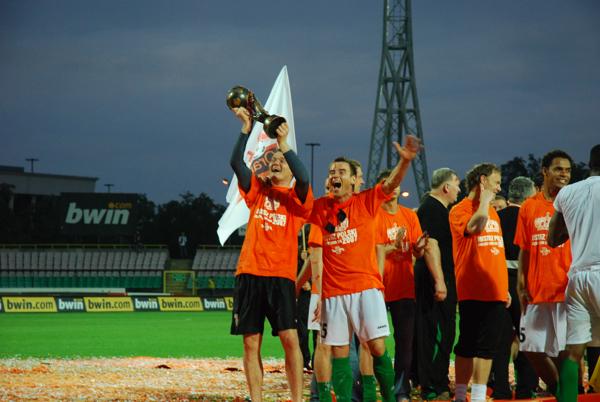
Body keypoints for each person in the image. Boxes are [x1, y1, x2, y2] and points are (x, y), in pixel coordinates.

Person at [309, 135, 421, 402]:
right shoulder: (320, 208)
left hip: (366, 288)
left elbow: (391, 183)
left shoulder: (366, 201)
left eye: (341, 171)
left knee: (377, 347)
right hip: (334, 292)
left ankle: (388, 397)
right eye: (331, 172)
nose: (335, 175)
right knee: (338, 352)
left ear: (353, 179)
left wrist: (405, 162)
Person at [228, 106, 313, 402]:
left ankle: (296, 399)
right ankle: (257, 399)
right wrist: (245, 129)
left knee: (290, 339)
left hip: (280, 276)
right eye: (273, 160)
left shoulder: (298, 200)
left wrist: (284, 144)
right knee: (251, 343)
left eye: (282, 160)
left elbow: (304, 177)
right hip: (249, 273)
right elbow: (235, 162)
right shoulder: (258, 190)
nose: (276, 162)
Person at [374, 169, 446, 402]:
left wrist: (419, 248)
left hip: (404, 287)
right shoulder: (373, 216)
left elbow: (416, 251)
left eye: (396, 183)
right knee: (373, 343)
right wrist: (392, 247)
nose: (393, 187)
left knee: (405, 343)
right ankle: (374, 385)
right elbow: (370, 251)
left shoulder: (409, 215)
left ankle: (401, 390)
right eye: (388, 183)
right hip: (376, 288)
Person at [449, 163, 510, 402]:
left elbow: (497, 250)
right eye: (496, 182)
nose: (499, 188)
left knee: (487, 348)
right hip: (472, 289)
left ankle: (477, 397)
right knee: (467, 345)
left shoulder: (492, 212)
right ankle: (460, 395)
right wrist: (484, 201)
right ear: (483, 180)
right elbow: (474, 227)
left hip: (496, 290)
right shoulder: (459, 210)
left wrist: (504, 286)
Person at [514, 150, 573, 396]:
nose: (564, 174)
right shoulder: (529, 206)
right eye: (558, 169)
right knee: (530, 348)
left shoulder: (572, 203)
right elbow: (525, 248)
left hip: (565, 288)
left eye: (568, 170)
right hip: (537, 289)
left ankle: (569, 393)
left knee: (565, 351)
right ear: (545, 171)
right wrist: (520, 283)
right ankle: (560, 389)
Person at [548, 144, 600, 402]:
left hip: (578, 278)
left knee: (573, 351)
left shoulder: (568, 192)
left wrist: (581, 226)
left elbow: (552, 238)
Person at [489, 176, 539, 399]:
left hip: (498, 282)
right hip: (523, 283)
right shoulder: (529, 218)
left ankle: (500, 387)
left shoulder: (496, 218)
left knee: (500, 339)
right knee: (527, 336)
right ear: (528, 196)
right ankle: (526, 387)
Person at [413, 167, 460, 400]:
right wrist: (440, 282)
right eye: (456, 184)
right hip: (435, 280)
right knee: (438, 332)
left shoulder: (435, 208)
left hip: (437, 277)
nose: (459, 189)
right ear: (446, 187)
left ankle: (433, 380)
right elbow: (431, 246)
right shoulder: (432, 209)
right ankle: (432, 385)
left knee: (441, 332)